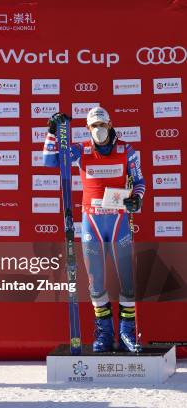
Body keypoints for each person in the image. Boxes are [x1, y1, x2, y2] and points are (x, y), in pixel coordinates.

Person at [43, 107, 145, 352]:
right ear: (88, 129)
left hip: (119, 220)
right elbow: (50, 161)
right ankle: (104, 333)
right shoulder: (81, 149)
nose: (98, 130)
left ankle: (126, 334)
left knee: (128, 282)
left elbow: (139, 181)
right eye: (93, 126)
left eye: (102, 124)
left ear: (110, 125)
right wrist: (52, 132)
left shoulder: (126, 150)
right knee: (96, 282)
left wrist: (137, 199)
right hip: (93, 221)